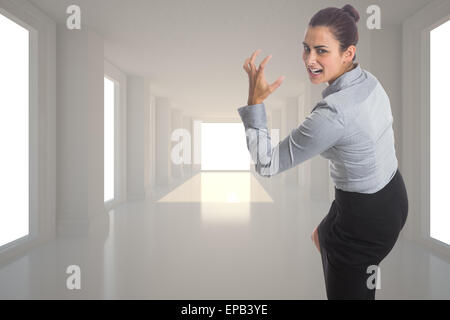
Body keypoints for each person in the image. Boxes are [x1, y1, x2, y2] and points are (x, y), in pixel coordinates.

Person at [237, 4, 409, 300]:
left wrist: (255, 104)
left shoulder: (333, 115)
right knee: (321, 236)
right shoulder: (369, 81)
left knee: (337, 261)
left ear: (348, 53)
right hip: (393, 195)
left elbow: (266, 164)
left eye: (321, 51)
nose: (309, 59)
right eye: (306, 48)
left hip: (364, 220)